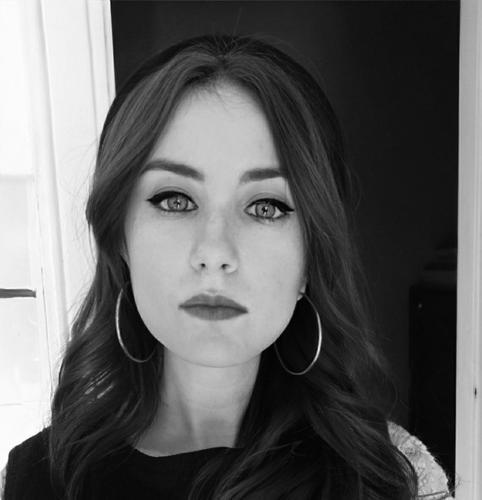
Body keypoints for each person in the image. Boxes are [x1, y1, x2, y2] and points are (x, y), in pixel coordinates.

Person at [1, 33, 454, 499]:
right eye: (175, 200)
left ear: (311, 256)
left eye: (265, 207)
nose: (215, 251)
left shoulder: (396, 478)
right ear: (120, 239)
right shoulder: (34, 480)